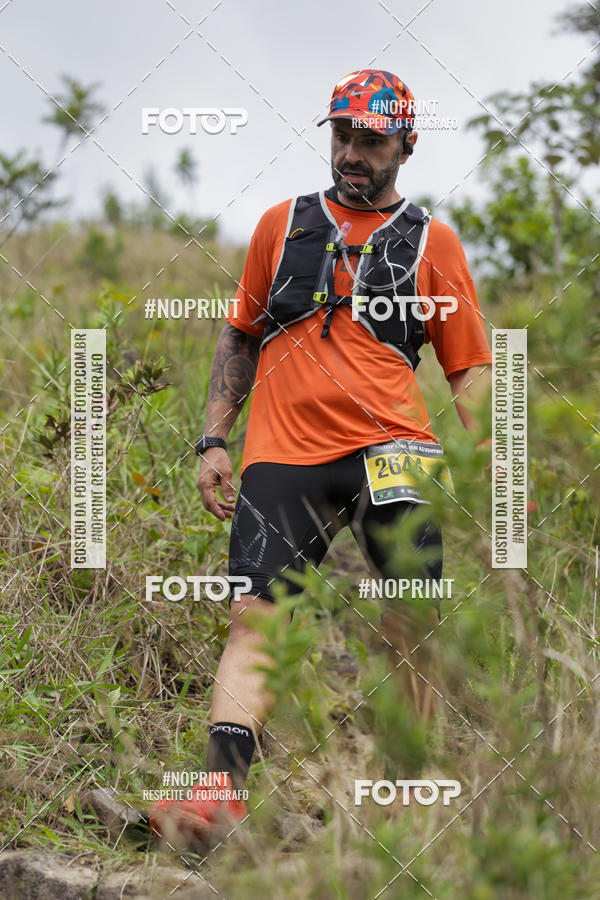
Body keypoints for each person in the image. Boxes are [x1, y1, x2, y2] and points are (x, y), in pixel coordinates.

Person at [150, 68, 492, 847]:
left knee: (414, 621)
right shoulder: (280, 225)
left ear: (407, 144)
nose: (351, 154)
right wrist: (213, 440)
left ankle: (409, 798)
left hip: (398, 449)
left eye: (369, 141)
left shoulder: (434, 244)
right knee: (254, 617)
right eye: (341, 137)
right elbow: (240, 332)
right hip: (284, 453)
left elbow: (469, 365)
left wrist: (498, 462)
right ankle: (217, 793)